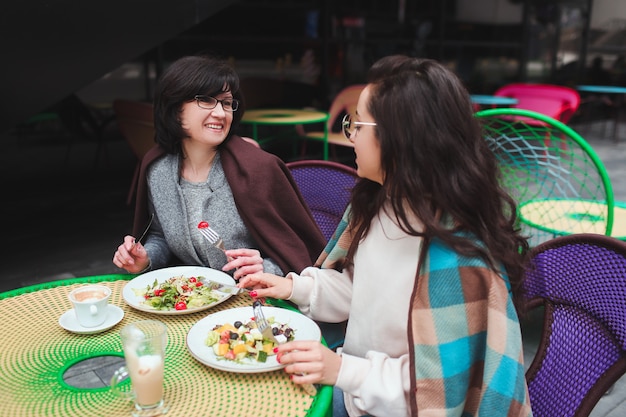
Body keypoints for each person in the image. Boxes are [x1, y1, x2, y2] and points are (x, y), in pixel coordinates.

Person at [238, 55, 533, 416]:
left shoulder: (459, 255)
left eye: (357, 125)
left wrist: (343, 370)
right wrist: (295, 288)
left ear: (400, 139)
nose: (350, 137)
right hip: (356, 388)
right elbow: (358, 289)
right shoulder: (379, 202)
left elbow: (438, 392)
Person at [113, 55, 326, 279]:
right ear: (175, 109)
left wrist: (266, 269)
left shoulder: (258, 169)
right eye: (206, 100)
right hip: (191, 299)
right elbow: (160, 235)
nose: (220, 112)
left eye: (226, 103)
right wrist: (146, 259)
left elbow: (300, 253)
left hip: (258, 300)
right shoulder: (158, 171)